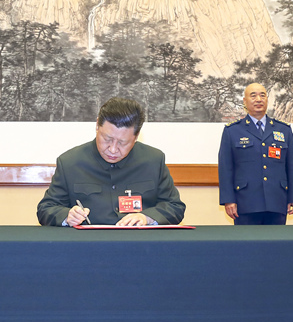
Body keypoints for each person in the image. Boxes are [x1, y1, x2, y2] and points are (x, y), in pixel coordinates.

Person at [37, 97, 186, 226]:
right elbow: (46, 209)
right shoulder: (70, 162)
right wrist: (67, 216)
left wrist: (147, 217)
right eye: (107, 139)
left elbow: (175, 206)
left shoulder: (153, 160)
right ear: (97, 126)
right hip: (88, 244)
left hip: (140, 244)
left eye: (122, 143)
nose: (113, 149)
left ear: (136, 137)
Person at [218, 82, 293, 225]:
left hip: (277, 201)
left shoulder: (283, 129)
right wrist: (228, 200)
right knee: (247, 240)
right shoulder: (232, 131)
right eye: (253, 95)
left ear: (267, 100)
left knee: (277, 240)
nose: (258, 99)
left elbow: (291, 166)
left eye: (262, 95)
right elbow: (226, 168)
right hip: (245, 202)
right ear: (245, 101)